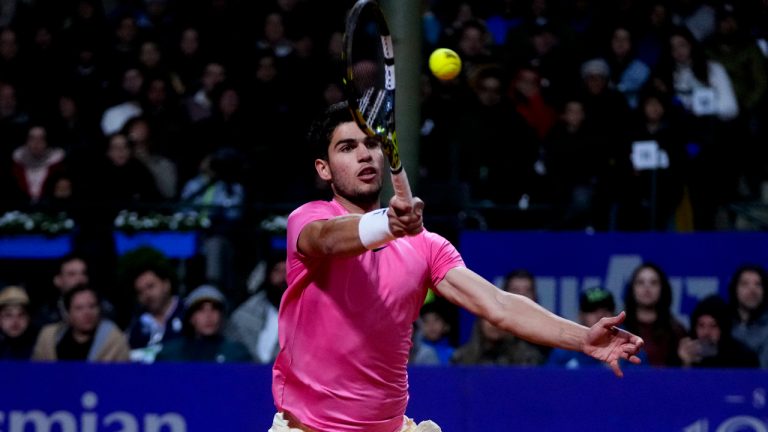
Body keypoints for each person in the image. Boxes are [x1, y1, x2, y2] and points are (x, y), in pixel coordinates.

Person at [269, 102, 644, 432]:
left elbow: (498, 304)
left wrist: (581, 338)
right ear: (324, 169)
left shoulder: (426, 246)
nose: (364, 155)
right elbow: (327, 239)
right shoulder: (309, 220)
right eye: (347, 148)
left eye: (371, 144)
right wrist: (387, 223)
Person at [32, 285, 130, 362]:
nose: (87, 313)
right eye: (79, 308)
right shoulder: (48, 337)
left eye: (92, 306)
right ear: (68, 313)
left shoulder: (114, 338)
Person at [156, 285, 251, 363]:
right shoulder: (170, 355)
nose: (208, 316)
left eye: (214, 309)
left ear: (222, 316)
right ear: (191, 318)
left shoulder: (237, 354)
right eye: (201, 309)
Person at [622, 263, 687, 367]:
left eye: (653, 283)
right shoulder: (619, 328)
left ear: (662, 288)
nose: (647, 287)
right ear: (632, 289)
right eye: (640, 282)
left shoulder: (676, 331)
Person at [225, 257, 287, 364]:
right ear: (268, 275)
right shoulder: (246, 313)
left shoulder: (308, 316)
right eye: (277, 271)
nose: (282, 277)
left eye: (286, 271)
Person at [548, 287, 621, 369]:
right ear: (581, 316)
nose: (600, 316)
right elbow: (548, 380)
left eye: (606, 309)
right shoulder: (564, 351)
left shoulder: (627, 350)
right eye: (592, 310)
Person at [125, 262, 184, 363]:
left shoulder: (188, 314)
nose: (147, 294)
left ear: (166, 285)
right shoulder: (136, 326)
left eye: (151, 286)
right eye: (140, 292)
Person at [678, 295, 758, 368]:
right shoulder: (685, 355)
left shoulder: (744, 358)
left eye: (713, 326)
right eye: (701, 325)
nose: (706, 332)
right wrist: (686, 364)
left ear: (723, 329)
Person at [728, 265, 768, 368]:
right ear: (735, 289)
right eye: (745, 284)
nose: (752, 290)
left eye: (758, 284)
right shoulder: (722, 324)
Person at [0, 286, 39, 360]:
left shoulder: (41, 346)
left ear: (29, 318)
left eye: (21, 314)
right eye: (8, 315)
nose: (15, 321)